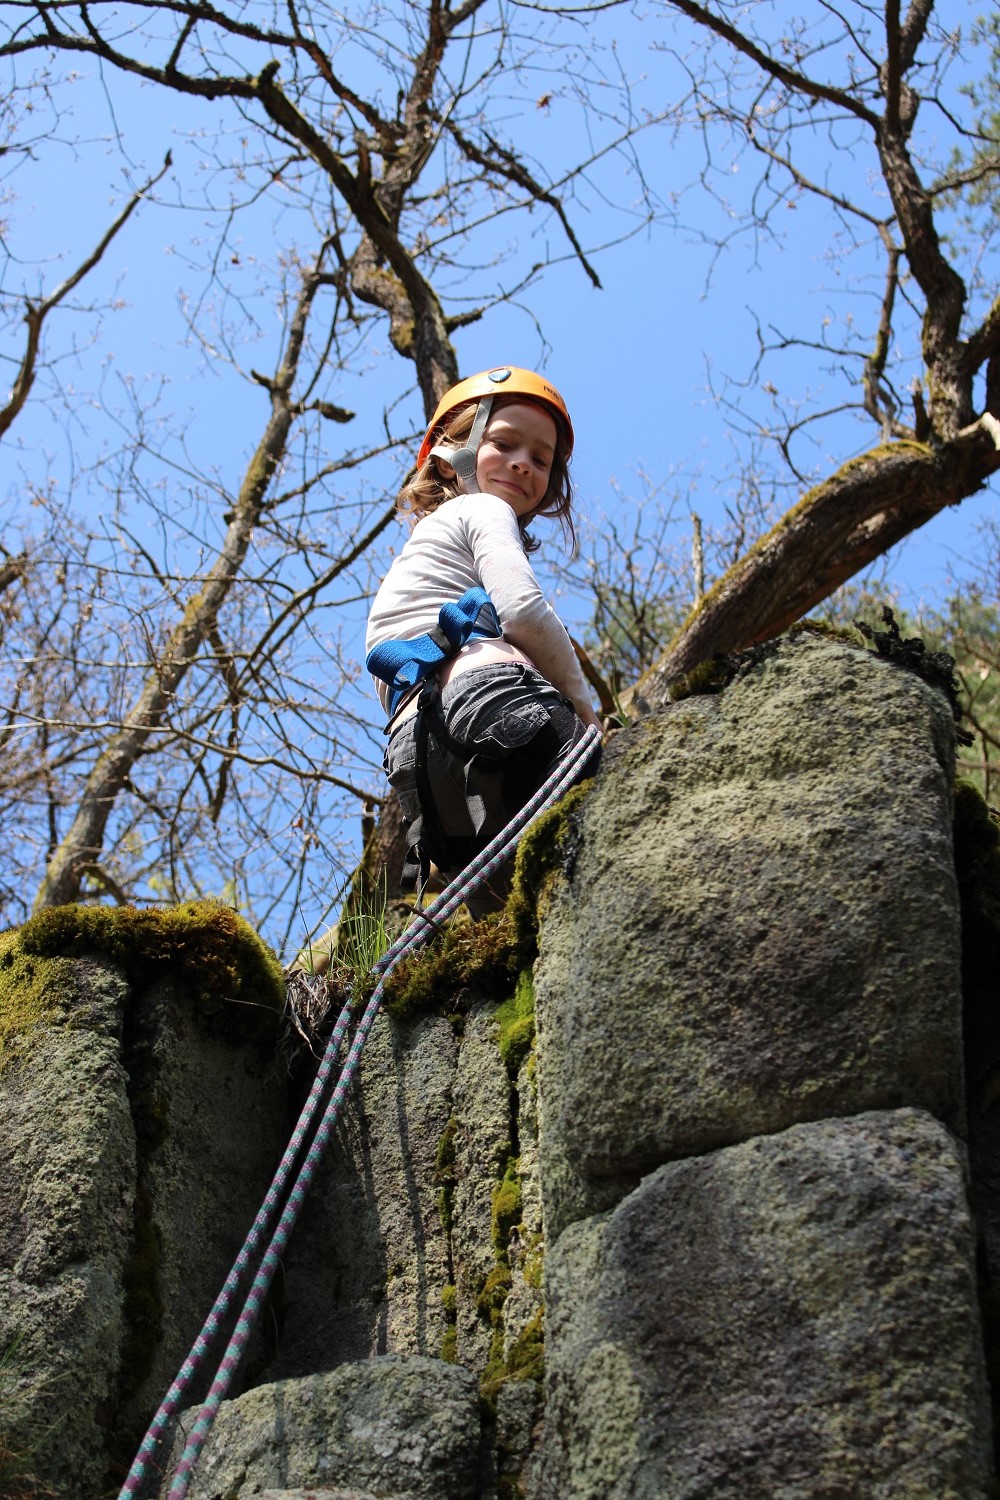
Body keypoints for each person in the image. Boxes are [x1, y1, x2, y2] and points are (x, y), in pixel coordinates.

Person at [366, 365, 603, 915]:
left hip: (415, 757)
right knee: (604, 827)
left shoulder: (415, 556)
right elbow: (521, 610)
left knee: (513, 922)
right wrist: (586, 714)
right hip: (491, 700)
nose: (524, 461)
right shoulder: (484, 508)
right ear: (457, 447)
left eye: (541, 459)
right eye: (504, 443)